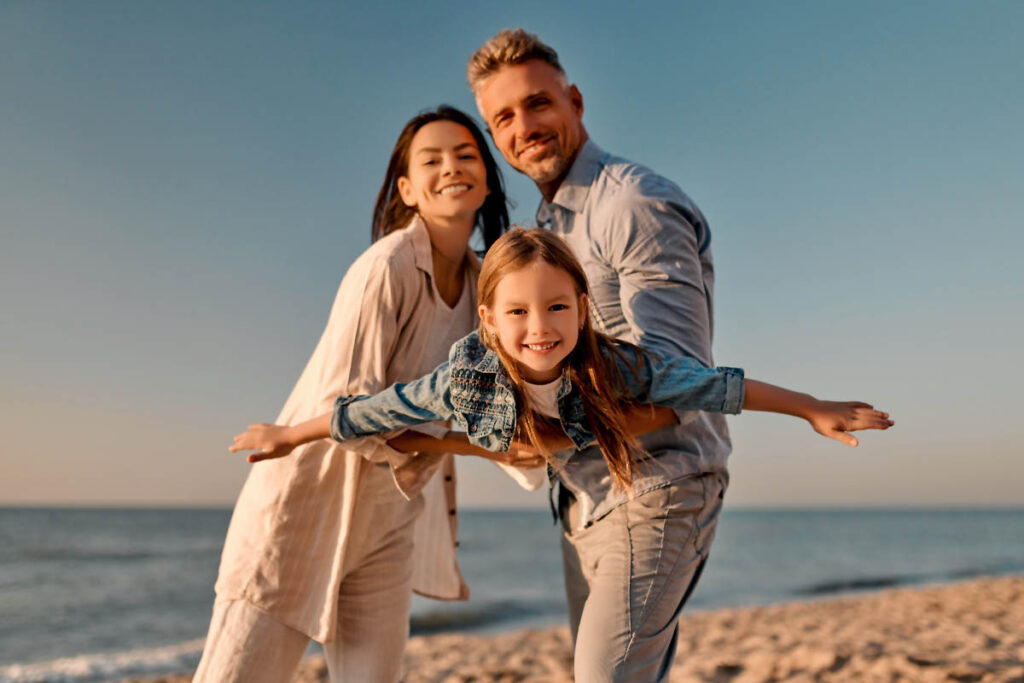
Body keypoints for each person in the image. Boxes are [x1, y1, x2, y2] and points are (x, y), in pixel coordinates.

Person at [462, 28, 882, 680]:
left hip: (660, 486)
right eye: (504, 118)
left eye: (538, 103)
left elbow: (675, 392)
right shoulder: (545, 233)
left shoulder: (631, 203)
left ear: (575, 101)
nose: (525, 126)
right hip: (584, 496)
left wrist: (546, 437)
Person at [194, 106, 538, 683]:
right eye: (431, 160)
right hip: (302, 509)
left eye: (466, 154)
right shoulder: (387, 268)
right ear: (407, 187)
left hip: (387, 524)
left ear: (486, 177)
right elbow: (350, 416)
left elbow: (499, 402)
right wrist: (481, 450)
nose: (451, 166)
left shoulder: (489, 288)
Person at [231, 227, 892, 513]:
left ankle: (449, 446)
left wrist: (811, 405)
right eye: (517, 311)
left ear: (581, 307)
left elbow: (718, 385)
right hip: (504, 434)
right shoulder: (463, 377)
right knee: (448, 438)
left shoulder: (622, 366)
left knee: (564, 436)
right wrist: (289, 435)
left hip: (580, 431)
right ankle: (438, 447)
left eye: (555, 307)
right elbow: (377, 407)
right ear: (488, 320)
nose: (539, 328)